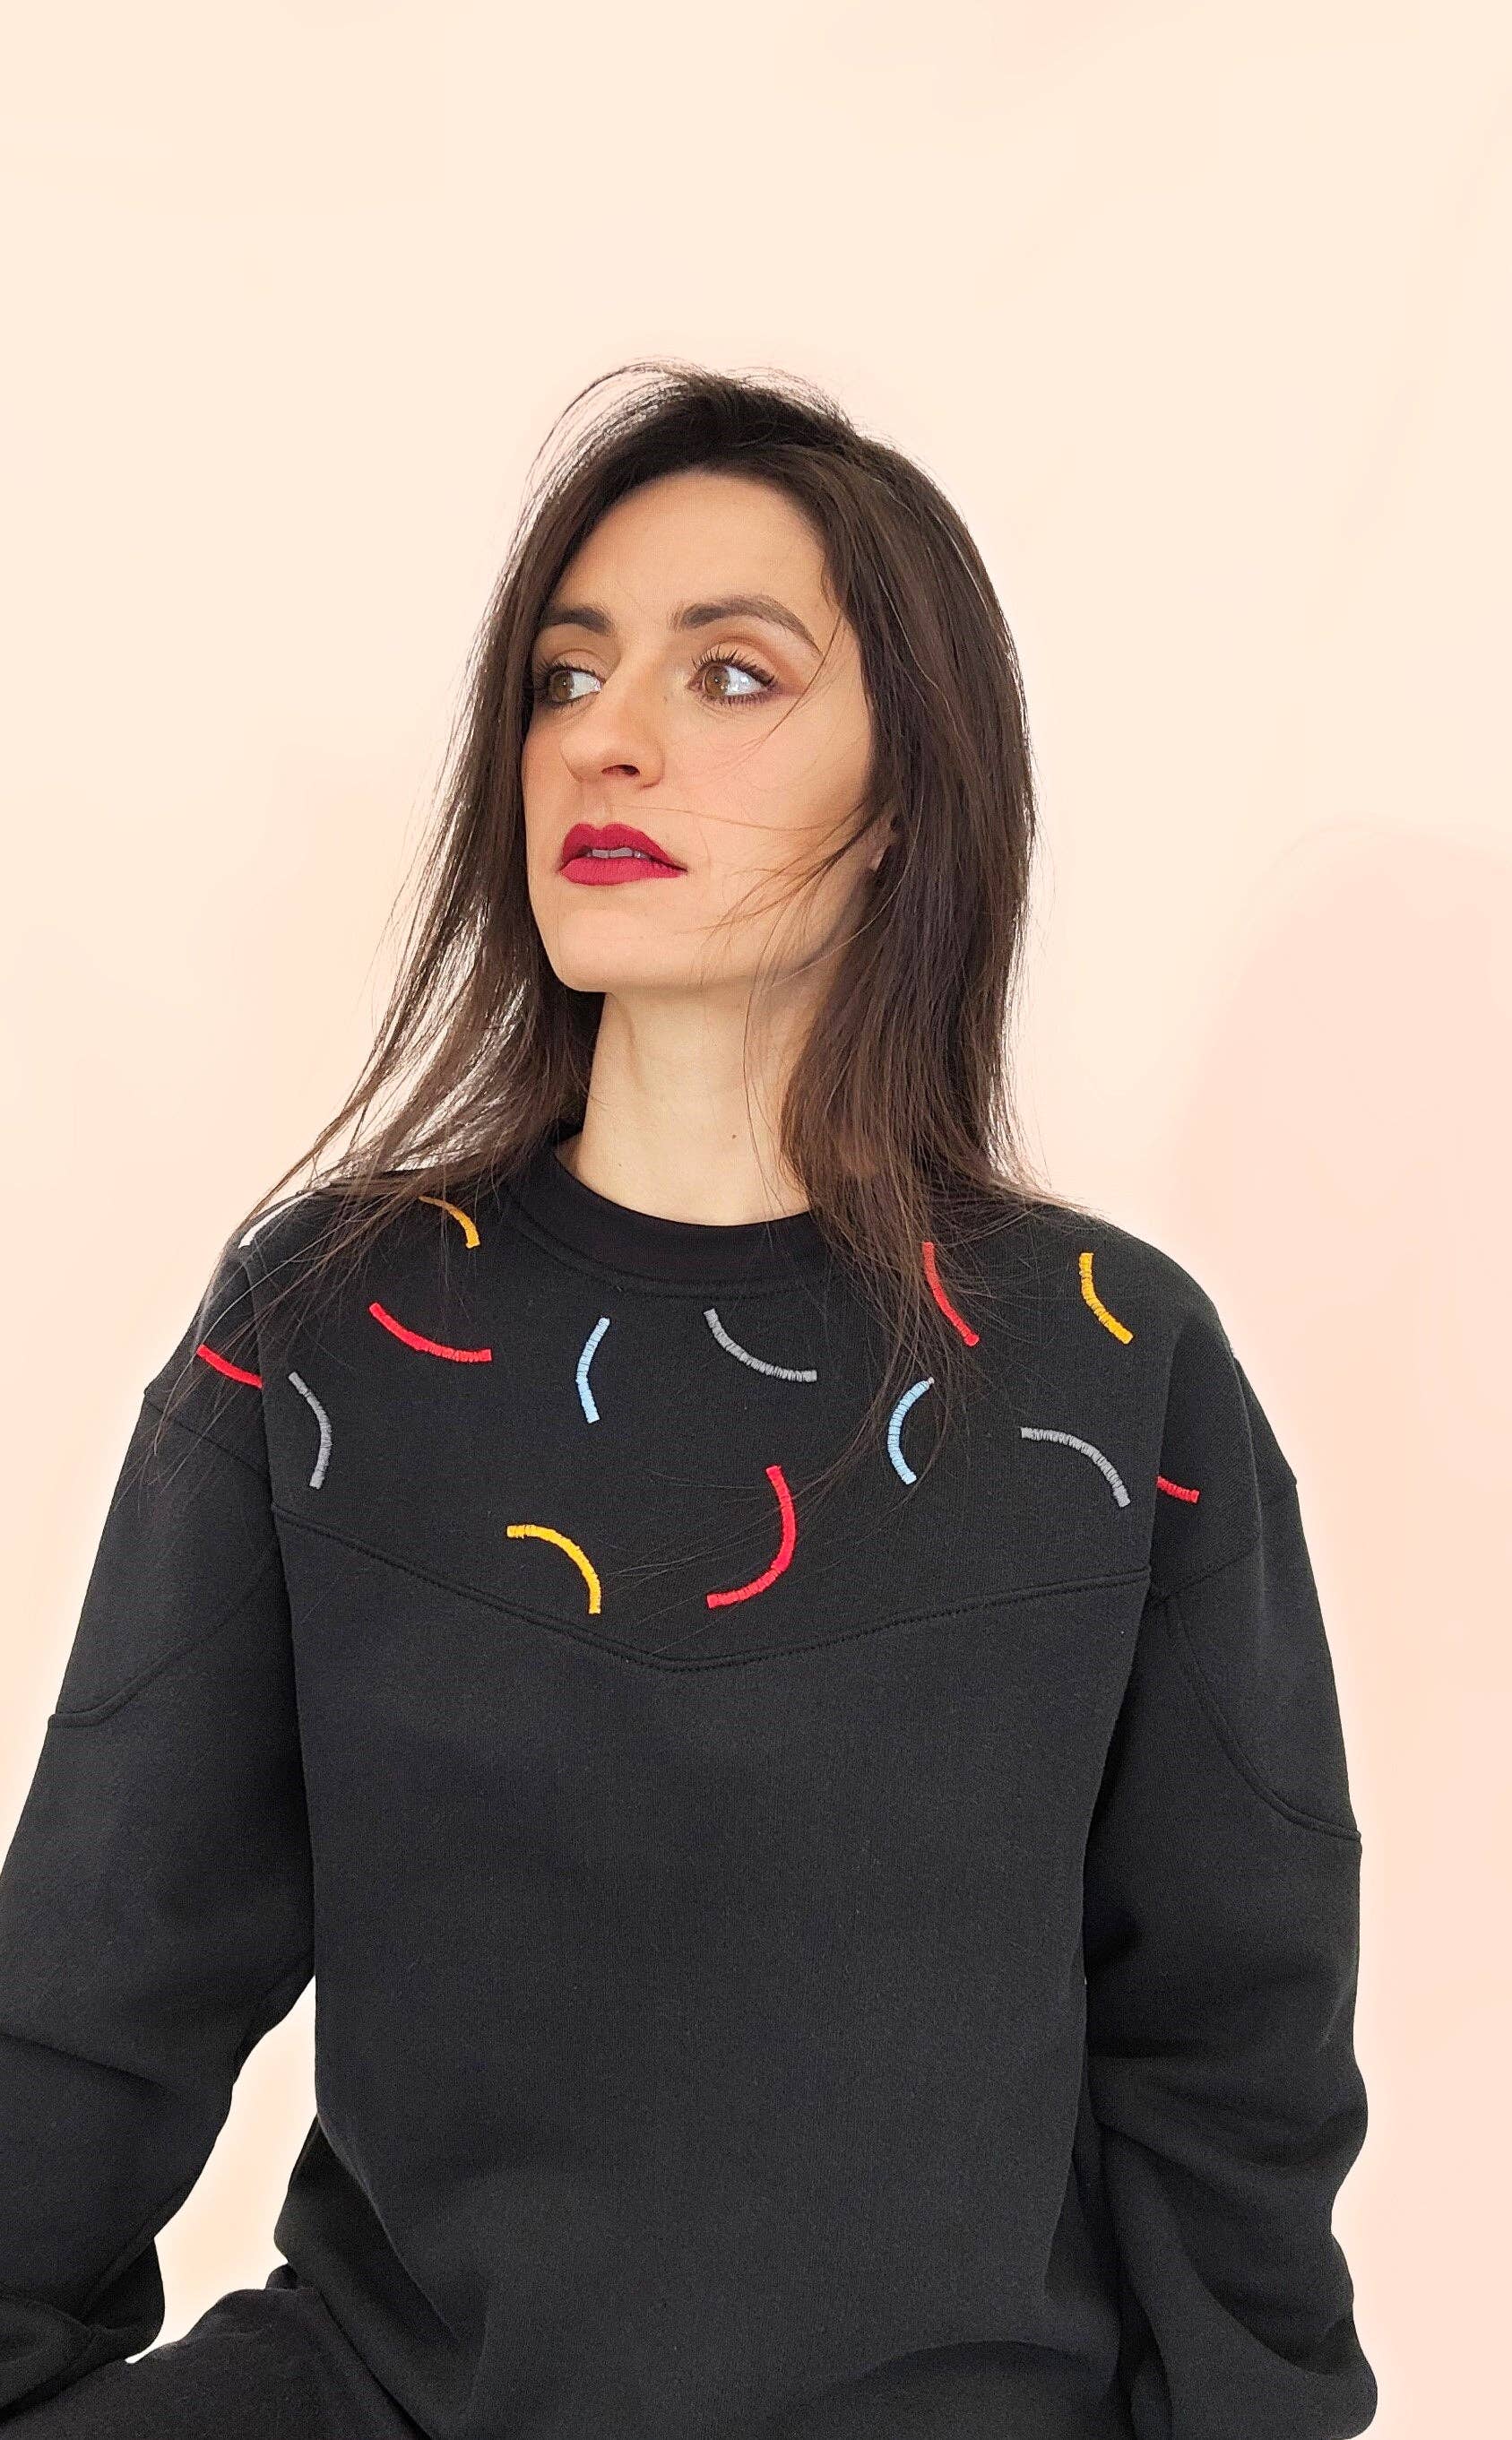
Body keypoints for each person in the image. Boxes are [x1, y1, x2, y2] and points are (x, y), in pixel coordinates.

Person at [0, 361, 1378, 2439]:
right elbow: (97, 1985)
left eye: (731, 674)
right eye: (565, 676)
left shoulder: (1111, 1362)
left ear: (906, 793)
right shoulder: (326, 1322)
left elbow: (1230, 2049)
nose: (604, 736)